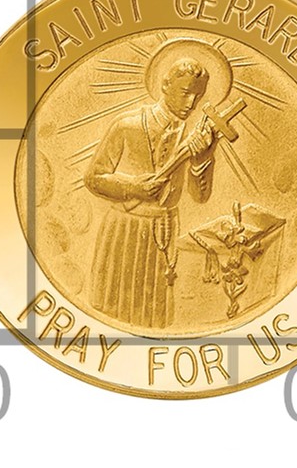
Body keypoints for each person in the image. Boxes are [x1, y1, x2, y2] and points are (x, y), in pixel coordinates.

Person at [84, 58, 217, 328]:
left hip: (163, 232)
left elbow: (200, 197)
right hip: (124, 229)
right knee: (114, 307)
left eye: (198, 96)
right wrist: (132, 187)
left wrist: (202, 159)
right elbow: (93, 178)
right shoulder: (127, 125)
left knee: (153, 312)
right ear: (165, 85)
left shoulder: (195, 137)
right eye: (185, 92)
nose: (191, 103)